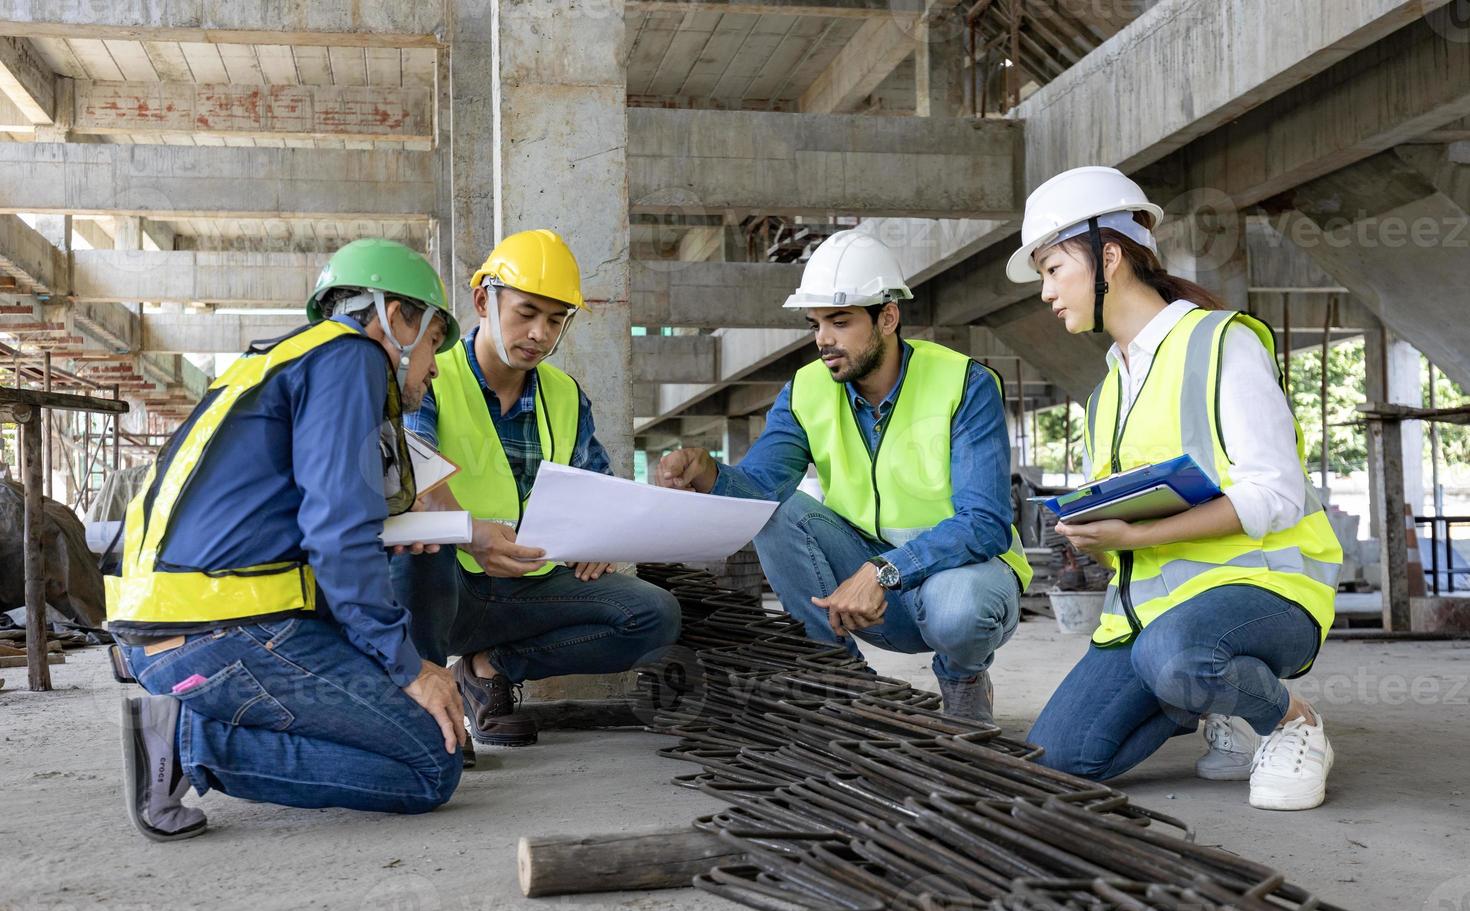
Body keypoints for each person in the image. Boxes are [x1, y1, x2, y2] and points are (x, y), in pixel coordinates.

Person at [107, 239, 467, 842]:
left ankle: (190, 720)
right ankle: (188, 738)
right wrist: (407, 666)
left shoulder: (280, 361)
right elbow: (337, 533)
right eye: (434, 342)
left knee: (420, 724)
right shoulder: (353, 357)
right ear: (397, 317)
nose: (433, 367)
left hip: (175, 634)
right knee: (431, 762)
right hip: (227, 634)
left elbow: (299, 524)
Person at [1011, 167, 1343, 810]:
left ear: (1108, 256)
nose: (1046, 292)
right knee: (1059, 759)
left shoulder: (1222, 343)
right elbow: (1129, 538)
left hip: (1268, 594)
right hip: (1153, 616)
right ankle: (1215, 701)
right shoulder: (1108, 391)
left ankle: (1290, 722)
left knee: (1180, 656)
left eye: (1052, 268)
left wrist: (1138, 532)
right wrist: (1100, 538)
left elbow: (1274, 492)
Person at [655, 230, 1032, 723]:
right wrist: (709, 475)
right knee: (779, 510)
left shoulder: (964, 384)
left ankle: (962, 680)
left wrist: (883, 570)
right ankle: (842, 677)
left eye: (840, 321)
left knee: (958, 608)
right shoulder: (806, 391)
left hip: (958, 581)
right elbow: (763, 487)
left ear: (888, 317)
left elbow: (985, 523)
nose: (823, 340)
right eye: (815, 324)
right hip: (868, 597)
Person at [390, 229, 681, 747]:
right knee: (422, 542)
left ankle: (487, 671)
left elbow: (596, 489)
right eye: (526, 313)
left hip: (528, 587)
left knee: (653, 616)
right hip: (445, 587)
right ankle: (423, 709)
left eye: (555, 320)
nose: (540, 333)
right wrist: (470, 532)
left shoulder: (566, 396)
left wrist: (597, 540)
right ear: (483, 300)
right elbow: (415, 478)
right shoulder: (430, 373)